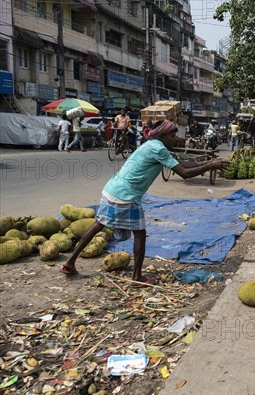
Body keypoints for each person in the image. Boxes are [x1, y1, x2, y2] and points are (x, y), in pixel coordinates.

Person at [60, 120, 229, 285]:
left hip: (111, 189)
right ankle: (137, 277)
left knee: (98, 224)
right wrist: (209, 166)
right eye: (172, 135)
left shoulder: (152, 145)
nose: (175, 139)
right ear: (162, 135)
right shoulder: (158, 149)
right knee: (139, 233)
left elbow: (180, 164)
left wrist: (208, 162)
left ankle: (70, 262)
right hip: (125, 196)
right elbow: (184, 173)